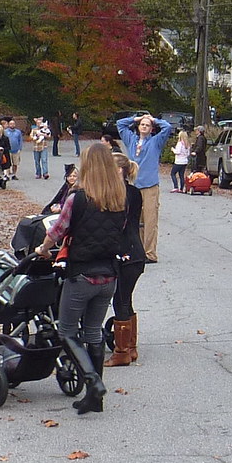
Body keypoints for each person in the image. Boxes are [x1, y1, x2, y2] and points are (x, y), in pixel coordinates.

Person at [35, 143, 126, 414]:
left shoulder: (78, 198)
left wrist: (43, 249)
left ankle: (93, 382)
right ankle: (93, 398)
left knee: (66, 331)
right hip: (109, 276)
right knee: (93, 332)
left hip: (82, 274)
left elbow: (58, 230)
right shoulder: (120, 197)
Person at [104, 153, 145, 367]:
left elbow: (118, 223)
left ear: (119, 170)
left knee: (120, 299)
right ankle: (131, 347)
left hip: (127, 253)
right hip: (134, 252)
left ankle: (122, 352)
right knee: (125, 298)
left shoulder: (123, 194)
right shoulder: (133, 192)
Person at [116, 113, 172, 264]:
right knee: (135, 219)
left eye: (147, 125)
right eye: (142, 124)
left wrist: (154, 120)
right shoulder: (131, 140)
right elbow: (120, 124)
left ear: (151, 128)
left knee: (149, 220)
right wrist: (136, 118)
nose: (144, 126)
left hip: (149, 186)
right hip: (134, 185)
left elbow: (167, 127)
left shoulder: (155, 142)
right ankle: (137, 250)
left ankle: (150, 253)